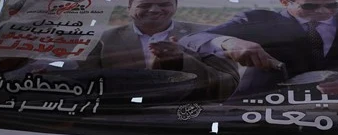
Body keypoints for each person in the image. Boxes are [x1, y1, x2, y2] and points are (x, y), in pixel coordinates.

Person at [180, 0, 338, 101]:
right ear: (285, 2)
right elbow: (192, 39)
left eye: (331, 5)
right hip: (262, 114)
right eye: (309, 5)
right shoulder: (256, 20)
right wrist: (227, 42)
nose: (322, 12)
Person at [83, 0, 239, 102]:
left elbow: (230, 85)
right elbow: (83, 85)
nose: (154, 9)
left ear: (175, 6)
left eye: (164, 3)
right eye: (145, 4)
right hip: (118, 122)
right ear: (129, 8)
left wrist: (182, 62)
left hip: (185, 121)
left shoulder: (208, 35)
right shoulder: (101, 40)